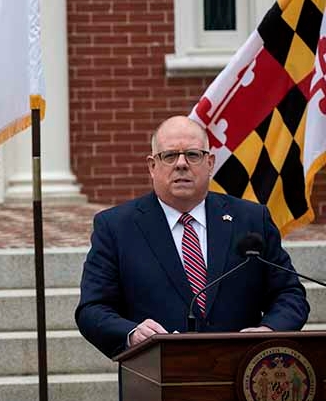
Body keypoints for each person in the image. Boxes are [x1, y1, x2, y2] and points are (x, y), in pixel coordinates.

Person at [75, 115, 309, 359]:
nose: (181, 164)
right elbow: (93, 309)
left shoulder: (251, 220)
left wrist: (268, 331)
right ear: (152, 166)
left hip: (242, 372)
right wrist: (132, 333)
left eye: (193, 155)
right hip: (155, 376)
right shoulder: (116, 227)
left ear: (210, 163)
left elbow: (289, 294)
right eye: (169, 156)